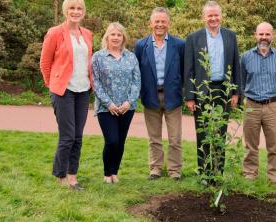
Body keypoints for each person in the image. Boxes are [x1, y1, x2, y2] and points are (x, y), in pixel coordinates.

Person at [184, 1, 241, 181]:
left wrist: (235, 93)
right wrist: (190, 96)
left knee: (221, 132)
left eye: (216, 15)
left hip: (223, 90)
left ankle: (218, 172)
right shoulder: (194, 38)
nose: (213, 18)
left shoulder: (230, 36)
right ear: (204, 17)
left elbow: (236, 65)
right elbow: (189, 69)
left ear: (221, 16)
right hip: (203, 90)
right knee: (203, 132)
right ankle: (204, 173)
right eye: (210, 15)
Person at [40, 0, 92, 190]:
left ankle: (73, 176)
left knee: (78, 136)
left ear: (83, 12)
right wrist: (52, 85)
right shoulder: (55, 32)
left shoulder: (87, 34)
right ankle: (60, 175)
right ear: (65, 11)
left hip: (83, 90)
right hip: (63, 91)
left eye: (79, 8)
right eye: (72, 8)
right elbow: (45, 63)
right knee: (67, 136)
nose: (76, 12)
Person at [135, 7, 184, 181]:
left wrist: (183, 91)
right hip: (151, 97)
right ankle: (155, 168)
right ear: (151, 23)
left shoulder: (179, 45)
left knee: (175, 138)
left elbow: (185, 71)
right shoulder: (141, 45)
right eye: (157, 21)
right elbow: (137, 72)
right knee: (154, 137)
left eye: (163, 21)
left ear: (168, 24)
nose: (160, 25)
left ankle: (174, 170)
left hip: (173, 97)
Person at [92, 22, 141, 184]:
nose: (116, 37)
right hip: (106, 108)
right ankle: (107, 173)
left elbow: (136, 81)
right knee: (111, 140)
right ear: (107, 36)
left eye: (119, 35)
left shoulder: (131, 57)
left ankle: (115, 172)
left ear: (123, 38)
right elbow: (96, 83)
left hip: (127, 107)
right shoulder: (98, 57)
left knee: (120, 141)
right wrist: (109, 103)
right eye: (112, 34)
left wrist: (129, 101)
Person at [240, 22, 276, 186]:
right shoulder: (245, 57)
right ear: (255, 35)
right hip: (251, 105)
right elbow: (241, 80)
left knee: (273, 146)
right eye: (261, 34)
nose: (264, 38)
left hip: (272, 106)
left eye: (267, 34)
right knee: (250, 145)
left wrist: (273, 95)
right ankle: (249, 174)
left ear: (272, 36)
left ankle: (274, 178)